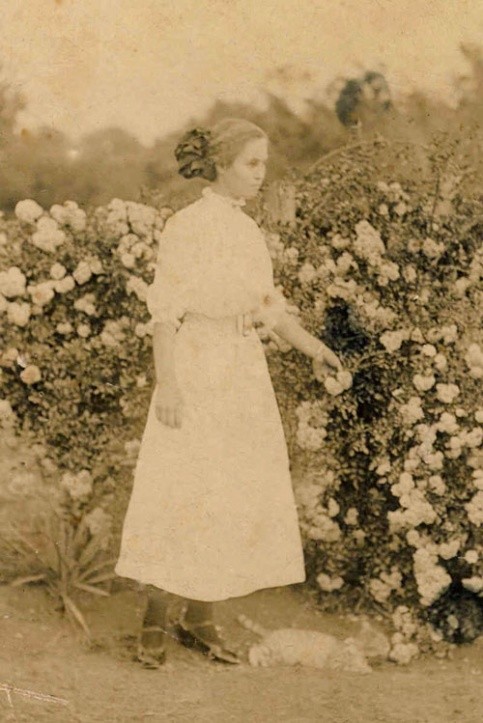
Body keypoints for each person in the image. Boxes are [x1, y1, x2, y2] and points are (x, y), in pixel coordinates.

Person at [115, 118, 343, 668]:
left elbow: (268, 308)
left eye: (264, 163)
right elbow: (165, 315)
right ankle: (153, 621)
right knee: (181, 484)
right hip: (194, 366)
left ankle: (201, 619)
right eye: (252, 163)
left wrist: (316, 349)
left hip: (241, 370)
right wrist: (168, 384)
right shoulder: (186, 226)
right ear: (222, 165)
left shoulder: (246, 232)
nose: (261, 175)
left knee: (226, 490)